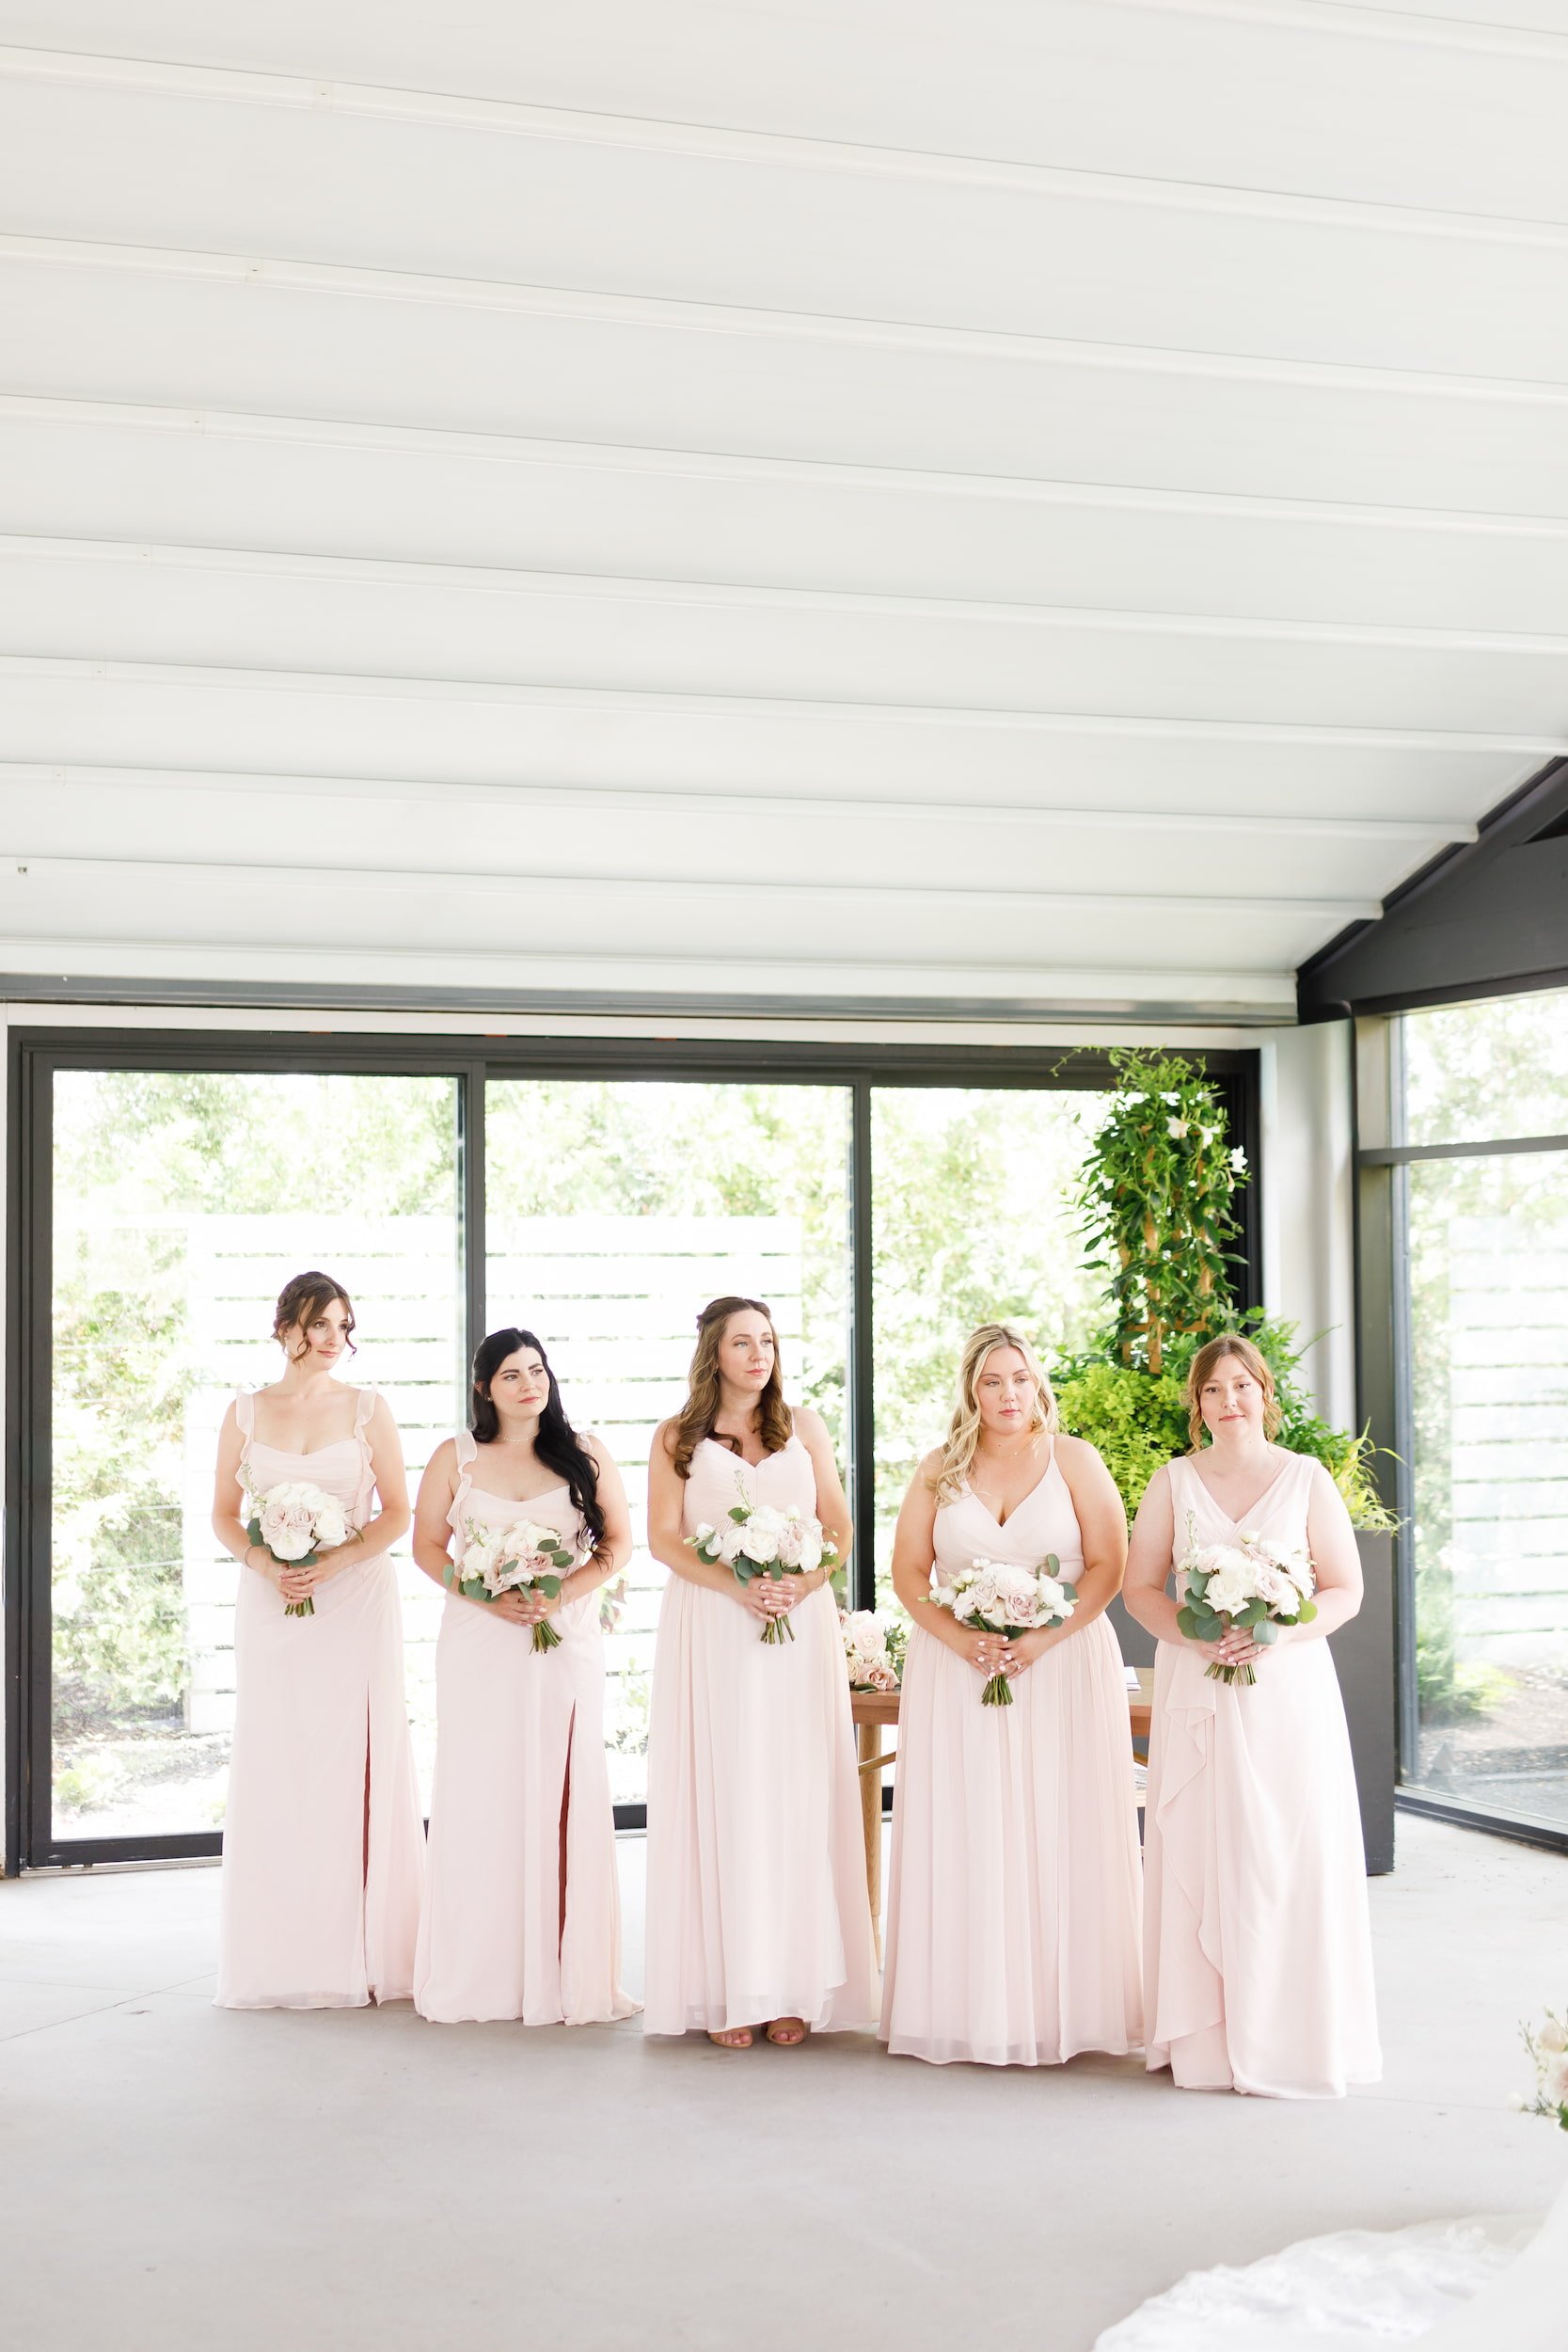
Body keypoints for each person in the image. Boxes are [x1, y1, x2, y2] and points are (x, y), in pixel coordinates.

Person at [1123, 1331, 1380, 2097]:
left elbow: (1343, 1589)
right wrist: (1194, 1634)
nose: (1227, 1400)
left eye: (1240, 1385)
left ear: (1265, 1394)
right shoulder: (1172, 1482)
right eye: (1212, 1389)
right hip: (1196, 1689)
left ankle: (1292, 2036)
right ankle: (1206, 2044)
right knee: (1204, 1843)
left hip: (1286, 1690)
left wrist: (1277, 1632)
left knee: (1284, 1851)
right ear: (1196, 1404)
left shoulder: (1305, 1478)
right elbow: (1139, 1589)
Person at [880, 1322, 1143, 2065]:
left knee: (1061, 1819)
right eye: (992, 1381)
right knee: (970, 1823)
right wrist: (959, 1638)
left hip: (1060, 1663)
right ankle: (967, 2008)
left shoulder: (1074, 1459)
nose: (1008, 1394)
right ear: (971, 1389)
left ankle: (1069, 2011)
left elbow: (1108, 1564)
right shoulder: (939, 1467)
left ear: (1037, 1384)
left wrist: (1040, 1638)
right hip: (958, 1667)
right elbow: (907, 1571)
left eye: (1020, 1379)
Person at [642, 1295, 878, 2048]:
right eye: (743, 1342)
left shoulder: (803, 1427)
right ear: (714, 1352)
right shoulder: (676, 1436)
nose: (758, 1355)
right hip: (716, 1625)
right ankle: (729, 1990)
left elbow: (838, 1528)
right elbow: (663, 1539)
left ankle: (793, 1989)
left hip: (796, 1627)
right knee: (731, 1793)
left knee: (793, 1796)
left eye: (768, 1341)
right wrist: (735, 1586)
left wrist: (802, 1584)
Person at [410, 1327, 638, 2026]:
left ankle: (566, 1972)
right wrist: (483, 1594)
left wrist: (559, 1595)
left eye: (536, 1370)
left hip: (563, 1640)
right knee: (483, 1787)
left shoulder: (584, 1451)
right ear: (484, 1388)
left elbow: (618, 1545)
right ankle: (483, 1969)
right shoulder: (454, 1458)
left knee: (561, 1784)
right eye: (510, 1375)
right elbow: (426, 1546)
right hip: (479, 1643)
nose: (528, 1385)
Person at [211, 1271, 423, 2009]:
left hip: (355, 1599)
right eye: (321, 1324)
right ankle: (280, 1953)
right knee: (280, 1758)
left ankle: (362, 1949)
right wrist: (266, 1563)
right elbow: (224, 1514)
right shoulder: (244, 1412)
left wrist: (333, 1561)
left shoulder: (368, 1409)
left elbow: (397, 1513)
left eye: (344, 1325)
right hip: (271, 1602)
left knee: (351, 1756)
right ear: (285, 1329)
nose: (336, 1339)